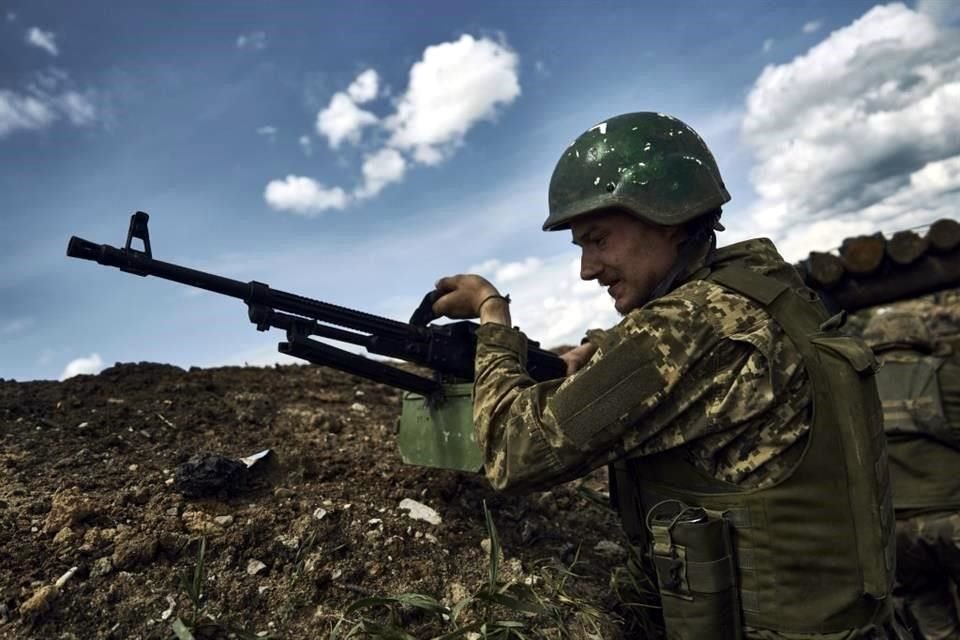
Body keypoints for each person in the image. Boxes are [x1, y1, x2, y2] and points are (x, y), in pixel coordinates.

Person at [432, 112, 896, 639]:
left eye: (599, 238)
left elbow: (513, 453)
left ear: (670, 217)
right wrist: (604, 352)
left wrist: (493, 314)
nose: (587, 268)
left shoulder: (688, 323)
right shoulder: (763, 290)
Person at [863, 310, 960, 639]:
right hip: (951, 516)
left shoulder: (854, 389)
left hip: (893, 532)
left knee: (932, 621)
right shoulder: (946, 376)